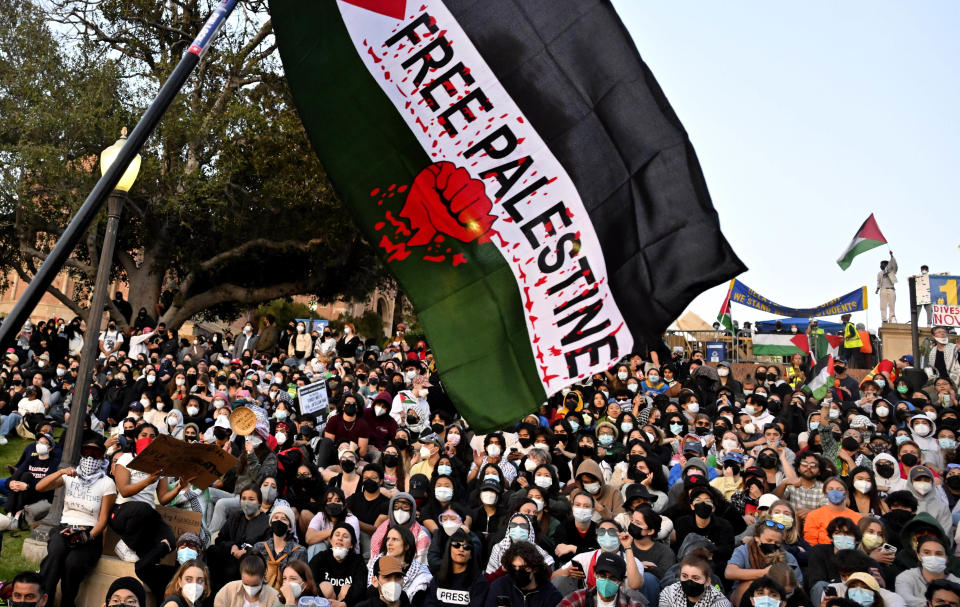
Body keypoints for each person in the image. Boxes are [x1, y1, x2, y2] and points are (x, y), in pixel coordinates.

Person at [37, 432, 115, 607]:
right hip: (65, 527)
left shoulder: (107, 483)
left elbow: (102, 520)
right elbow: (40, 487)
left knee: (73, 563)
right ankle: (43, 600)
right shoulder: (70, 476)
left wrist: (87, 536)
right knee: (55, 554)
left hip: (89, 532)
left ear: (102, 457)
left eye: (95, 454)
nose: (90, 457)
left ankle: (67, 602)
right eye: (87, 452)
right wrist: (61, 472)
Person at [483, 540, 563, 607]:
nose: (518, 571)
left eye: (524, 567)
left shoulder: (550, 595)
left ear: (535, 568)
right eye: (514, 567)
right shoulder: (500, 587)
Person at [308, 522, 368, 607]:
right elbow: (309, 579)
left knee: (346, 588)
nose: (340, 538)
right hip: (323, 602)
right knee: (326, 587)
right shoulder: (321, 557)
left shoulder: (358, 561)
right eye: (337, 535)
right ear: (331, 541)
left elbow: (360, 586)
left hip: (345, 604)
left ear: (351, 544)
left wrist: (344, 603)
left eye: (345, 536)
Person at [423, 528, 487, 607]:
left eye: (466, 547)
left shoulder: (479, 582)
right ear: (449, 550)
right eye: (456, 545)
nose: (461, 549)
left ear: (471, 555)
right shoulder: (437, 580)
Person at [558, 552, 645, 607]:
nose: (606, 581)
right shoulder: (579, 597)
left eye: (613, 578)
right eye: (602, 575)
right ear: (595, 574)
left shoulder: (631, 604)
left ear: (621, 582)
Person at [251, 505, 307, 590]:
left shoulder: (300, 551)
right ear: (270, 523)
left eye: (284, 519)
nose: (279, 521)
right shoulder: (259, 547)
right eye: (276, 517)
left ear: (290, 527)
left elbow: (299, 583)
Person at [896, 537, 960, 607]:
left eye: (939, 553)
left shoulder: (957, 583)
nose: (933, 556)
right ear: (919, 556)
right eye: (927, 552)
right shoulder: (905, 577)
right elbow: (904, 599)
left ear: (947, 558)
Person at [803, 477, 862, 545]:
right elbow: (810, 543)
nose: (835, 492)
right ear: (825, 493)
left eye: (839, 489)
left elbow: (859, 542)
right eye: (830, 489)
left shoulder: (857, 517)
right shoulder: (814, 515)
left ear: (846, 493)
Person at [658, 556, 731, 607]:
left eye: (695, 578)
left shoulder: (720, 603)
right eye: (684, 576)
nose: (689, 581)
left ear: (708, 581)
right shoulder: (669, 593)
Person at [213, 554, 280, 607]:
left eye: (255, 585)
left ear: (263, 577)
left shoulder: (274, 597)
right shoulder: (228, 590)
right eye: (246, 584)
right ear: (241, 576)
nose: (250, 589)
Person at [878, 252, 898, 323]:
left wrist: (892, 256)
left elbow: (895, 265)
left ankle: (891, 319)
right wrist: (877, 288)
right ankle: (884, 320)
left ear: (887, 265)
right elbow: (878, 282)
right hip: (883, 290)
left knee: (891, 305)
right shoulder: (880, 273)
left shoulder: (892, 271)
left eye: (882, 264)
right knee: (882, 306)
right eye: (880, 265)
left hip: (891, 289)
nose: (881, 266)